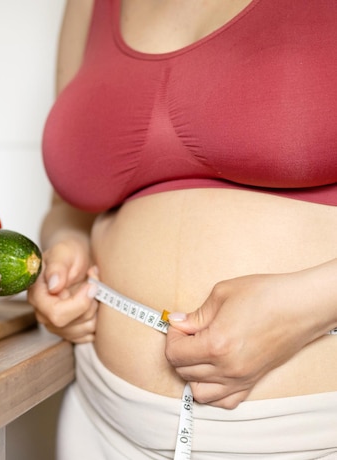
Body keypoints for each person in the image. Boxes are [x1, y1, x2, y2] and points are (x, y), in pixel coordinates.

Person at [27, 0, 337, 458]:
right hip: (101, 424)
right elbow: (67, 207)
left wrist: (307, 306)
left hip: (313, 431)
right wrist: (64, 249)